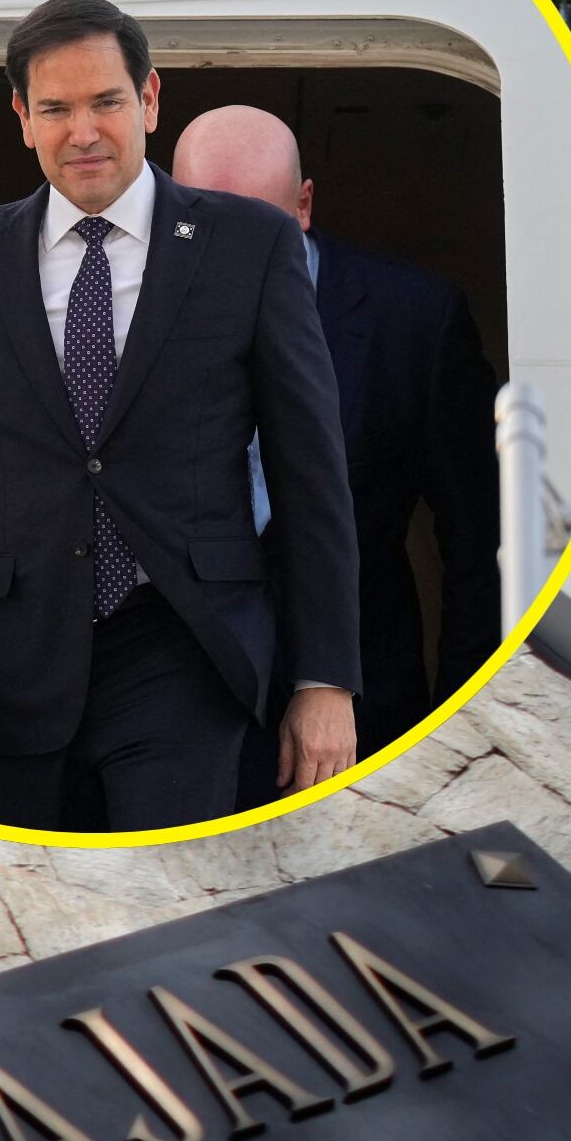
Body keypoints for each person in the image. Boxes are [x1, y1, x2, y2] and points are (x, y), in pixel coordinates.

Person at [0, 0, 358, 831]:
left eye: (106, 102)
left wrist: (325, 681)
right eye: (56, 109)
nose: (84, 131)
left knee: (164, 902)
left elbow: (309, 470)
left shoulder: (249, 246)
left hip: (187, 648)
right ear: (23, 118)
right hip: (8, 667)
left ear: (150, 101)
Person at [170, 104, 502, 808]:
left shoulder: (414, 319)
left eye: (253, 226)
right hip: (176, 717)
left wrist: (464, 727)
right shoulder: (121, 306)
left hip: (365, 706)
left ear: (304, 207)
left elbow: (478, 543)